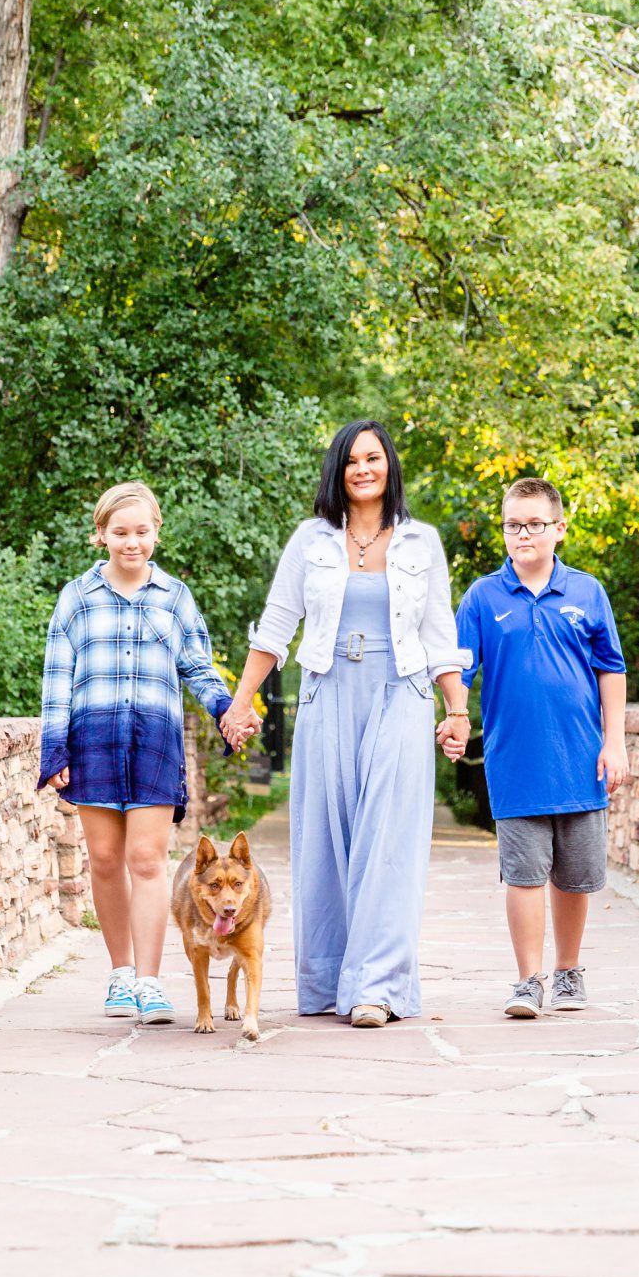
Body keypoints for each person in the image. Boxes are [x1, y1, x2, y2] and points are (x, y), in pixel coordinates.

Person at [221, 421, 470, 1028]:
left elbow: (440, 634)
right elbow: (277, 626)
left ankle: (377, 988)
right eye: (352, 459)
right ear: (338, 469)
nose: (363, 468)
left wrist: (456, 710)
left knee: (387, 841)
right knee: (325, 840)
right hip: (327, 693)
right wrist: (240, 703)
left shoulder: (421, 542)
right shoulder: (311, 540)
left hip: (402, 693)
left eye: (374, 457)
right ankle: (332, 978)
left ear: (390, 467)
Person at [39, 482, 234, 1025]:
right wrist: (54, 749)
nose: (132, 542)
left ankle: (150, 982)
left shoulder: (175, 597)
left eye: (142, 532)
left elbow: (196, 665)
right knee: (104, 861)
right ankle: (120, 974)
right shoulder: (76, 598)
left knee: (147, 861)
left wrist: (224, 708)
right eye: (120, 532)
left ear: (156, 533)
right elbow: (57, 678)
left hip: (153, 741)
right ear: (100, 534)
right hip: (93, 741)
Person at [455, 476, 630, 1018]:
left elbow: (611, 669)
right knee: (524, 873)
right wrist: (455, 715)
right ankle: (528, 980)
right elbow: (458, 667)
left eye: (534, 524)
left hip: (580, 757)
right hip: (515, 762)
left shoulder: (587, 591)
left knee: (575, 876)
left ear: (559, 528)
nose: (522, 533)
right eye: (512, 524)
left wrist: (615, 742)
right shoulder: (483, 597)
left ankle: (568, 972)